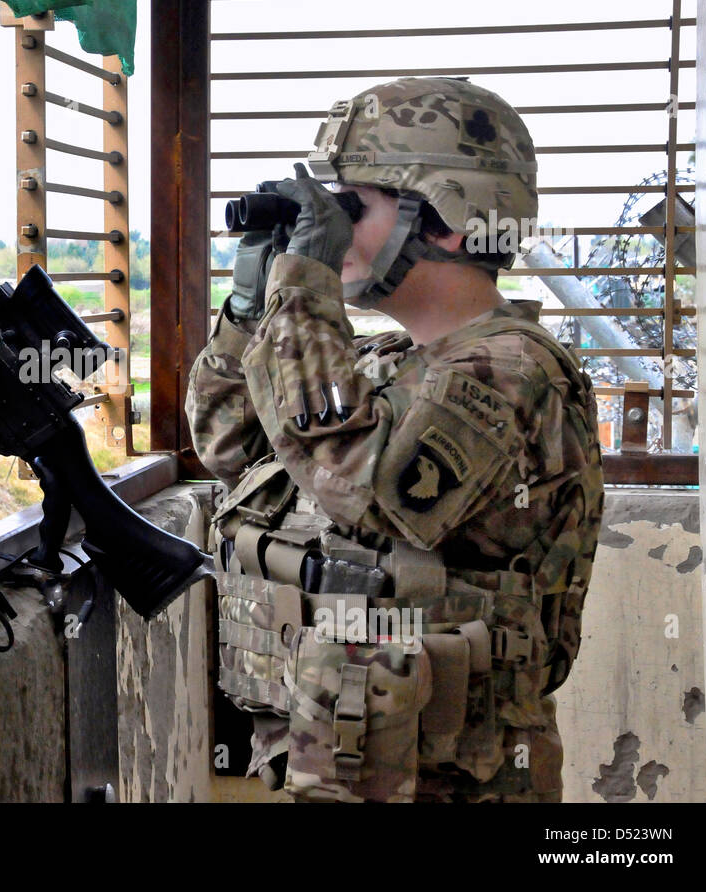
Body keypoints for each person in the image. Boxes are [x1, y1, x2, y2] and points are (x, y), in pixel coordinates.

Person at [185, 77, 604, 802]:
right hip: (334, 749)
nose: (331, 230)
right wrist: (254, 306)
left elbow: (369, 491)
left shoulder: (514, 372)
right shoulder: (385, 366)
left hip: (446, 779)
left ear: (446, 221)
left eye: (350, 207)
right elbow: (228, 445)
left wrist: (305, 288)